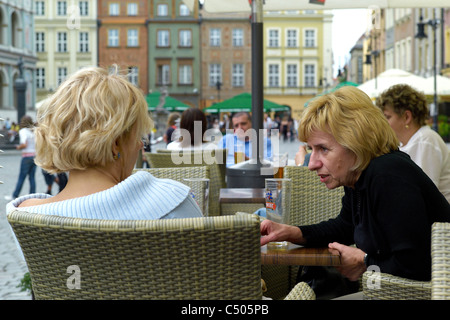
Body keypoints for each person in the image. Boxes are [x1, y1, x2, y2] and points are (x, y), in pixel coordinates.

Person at [260, 86, 450, 298]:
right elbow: (345, 226)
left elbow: (415, 265)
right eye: (311, 149)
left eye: (323, 148)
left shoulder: (387, 175)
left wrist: (364, 260)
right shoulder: (360, 176)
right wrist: (291, 232)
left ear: (356, 142)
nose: (311, 163)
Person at [6, 66, 202, 220]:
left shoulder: (25, 216)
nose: (141, 145)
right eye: (138, 136)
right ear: (115, 143)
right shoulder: (172, 202)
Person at [376, 84, 450, 203]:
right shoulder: (408, 143)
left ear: (407, 117)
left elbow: (424, 194)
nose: (383, 123)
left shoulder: (425, 140)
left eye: (387, 117)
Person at [9, 115, 37, 200]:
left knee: (22, 177)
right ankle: (32, 195)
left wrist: (18, 147)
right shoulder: (33, 131)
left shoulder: (23, 131)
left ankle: (15, 195)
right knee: (32, 177)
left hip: (26, 157)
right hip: (34, 156)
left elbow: (24, 144)